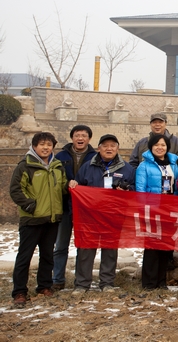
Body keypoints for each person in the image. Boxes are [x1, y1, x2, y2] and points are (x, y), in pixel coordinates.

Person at [70, 134, 135, 294]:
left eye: (112, 146)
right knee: (86, 249)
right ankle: (82, 284)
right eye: (105, 146)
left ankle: (107, 282)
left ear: (117, 148)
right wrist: (73, 185)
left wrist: (126, 190)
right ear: (99, 148)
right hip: (90, 216)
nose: (109, 149)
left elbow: (134, 190)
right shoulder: (88, 166)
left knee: (110, 250)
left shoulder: (127, 169)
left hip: (114, 215)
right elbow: (78, 186)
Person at [10, 132, 67, 308]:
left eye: (49, 145)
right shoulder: (25, 166)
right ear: (34, 146)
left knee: (48, 255)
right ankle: (19, 291)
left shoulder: (57, 166)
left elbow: (63, 188)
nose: (45, 148)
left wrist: (72, 186)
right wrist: (30, 205)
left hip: (52, 219)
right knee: (25, 256)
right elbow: (16, 190)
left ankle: (44, 286)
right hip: (32, 219)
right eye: (42, 144)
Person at [52, 125, 96, 290]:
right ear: (72, 138)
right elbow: (55, 179)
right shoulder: (60, 156)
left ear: (89, 139)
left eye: (84, 135)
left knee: (83, 246)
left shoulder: (94, 157)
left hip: (85, 209)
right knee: (60, 245)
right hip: (64, 206)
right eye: (77, 135)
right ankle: (57, 279)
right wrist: (67, 185)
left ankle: (81, 281)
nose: (80, 138)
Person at [135, 134, 178, 290]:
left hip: (169, 210)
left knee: (166, 246)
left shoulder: (173, 165)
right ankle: (149, 283)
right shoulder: (144, 166)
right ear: (151, 147)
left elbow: (177, 188)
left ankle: (162, 281)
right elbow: (140, 190)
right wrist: (144, 210)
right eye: (156, 145)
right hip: (152, 210)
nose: (160, 148)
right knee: (152, 246)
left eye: (163, 145)